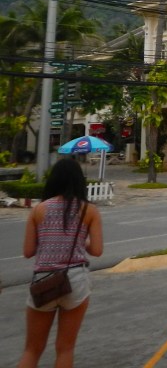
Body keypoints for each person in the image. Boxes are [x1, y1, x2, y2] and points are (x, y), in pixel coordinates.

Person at [19, 158, 103, 368]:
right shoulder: (89, 210)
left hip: (44, 282)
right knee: (65, 348)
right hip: (75, 280)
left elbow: (28, 251)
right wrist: (79, 241)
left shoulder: (38, 210)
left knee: (32, 349)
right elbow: (98, 250)